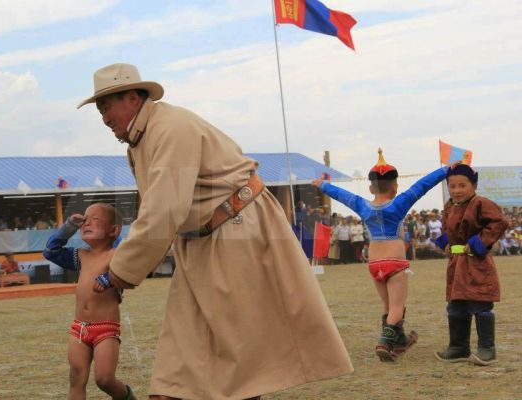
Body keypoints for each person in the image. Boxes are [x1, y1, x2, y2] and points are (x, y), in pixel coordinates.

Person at [78, 63, 352, 400]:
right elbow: (161, 210)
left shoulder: (170, 129)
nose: (104, 118)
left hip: (237, 232)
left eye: (106, 107)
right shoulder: (142, 139)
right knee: (177, 379)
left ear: (132, 98)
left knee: (241, 367)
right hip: (201, 243)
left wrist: (118, 272)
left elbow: (163, 211)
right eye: (100, 110)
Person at [314, 149, 455, 362]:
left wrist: (323, 185)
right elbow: (422, 185)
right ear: (395, 187)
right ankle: (385, 343)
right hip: (395, 262)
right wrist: (445, 171)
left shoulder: (362, 205)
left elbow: (342, 195)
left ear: (371, 188)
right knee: (397, 307)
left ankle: (400, 338)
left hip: (374, 263)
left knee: (388, 306)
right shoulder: (399, 204)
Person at [43, 202, 135, 400]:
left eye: (95, 220)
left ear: (113, 230)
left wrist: (109, 279)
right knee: (76, 377)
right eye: (85, 220)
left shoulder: (116, 256)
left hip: (106, 329)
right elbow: (51, 251)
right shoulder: (81, 255)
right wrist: (68, 227)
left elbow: (131, 268)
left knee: (104, 379)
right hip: (79, 328)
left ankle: (127, 396)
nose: (86, 223)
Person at [433, 164, 509, 366]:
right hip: (456, 263)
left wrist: (477, 243)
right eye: (452, 186)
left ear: (474, 185)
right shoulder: (450, 206)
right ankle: (459, 347)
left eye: (462, 185)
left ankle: (487, 349)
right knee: (456, 305)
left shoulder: (480, 203)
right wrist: (446, 242)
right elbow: (446, 228)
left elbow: (499, 222)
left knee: (480, 303)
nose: (457, 190)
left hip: (476, 262)